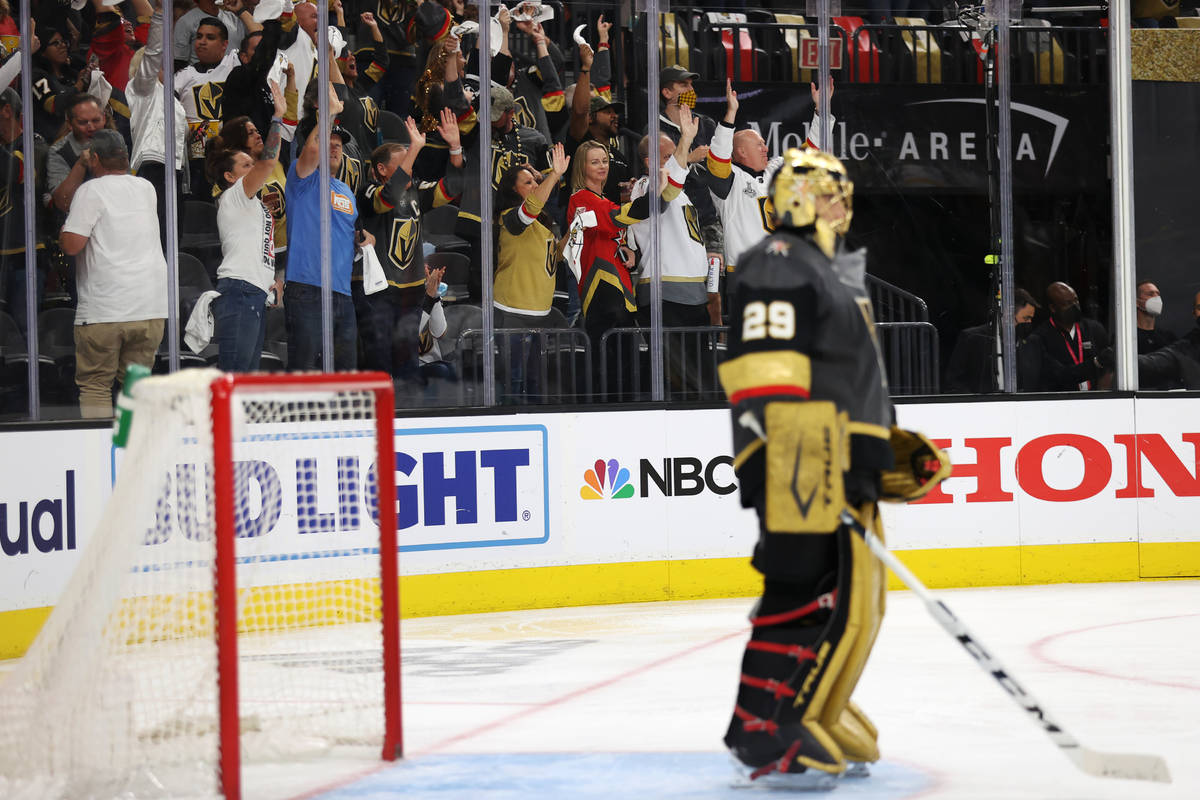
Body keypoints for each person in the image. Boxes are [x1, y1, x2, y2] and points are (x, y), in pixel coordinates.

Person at [718, 147, 948, 788]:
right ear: (794, 197)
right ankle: (764, 728)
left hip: (826, 455)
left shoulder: (829, 268)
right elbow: (765, 373)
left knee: (848, 600)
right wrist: (801, 461)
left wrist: (878, 449)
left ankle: (809, 704)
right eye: (825, 192)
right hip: (799, 458)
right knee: (803, 592)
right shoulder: (778, 262)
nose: (840, 205)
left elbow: (846, 381)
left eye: (842, 193)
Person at [58, 129, 167, 418]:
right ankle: (135, 454)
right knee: (136, 386)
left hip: (105, 308)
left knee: (95, 385)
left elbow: (72, 245)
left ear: (94, 158)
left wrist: (62, 231)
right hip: (149, 307)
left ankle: (100, 460)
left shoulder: (91, 190)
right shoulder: (146, 188)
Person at [567, 139, 680, 399]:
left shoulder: (602, 199)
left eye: (605, 160)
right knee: (609, 364)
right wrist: (653, 196)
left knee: (624, 361)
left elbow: (613, 228)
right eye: (594, 162)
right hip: (601, 288)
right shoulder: (580, 198)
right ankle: (605, 413)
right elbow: (614, 219)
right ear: (581, 167)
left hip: (619, 287)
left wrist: (626, 247)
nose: (602, 166)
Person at [356, 110, 463, 376]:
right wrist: (414, 148)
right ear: (381, 169)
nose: (410, 168)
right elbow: (388, 197)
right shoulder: (367, 192)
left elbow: (453, 187)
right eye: (404, 162)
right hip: (379, 295)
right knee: (381, 368)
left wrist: (455, 147)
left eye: (411, 161)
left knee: (407, 369)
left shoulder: (416, 191)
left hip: (411, 292)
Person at [284, 84, 371, 371]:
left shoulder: (346, 190)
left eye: (338, 143)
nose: (334, 145)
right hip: (306, 289)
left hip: (343, 294)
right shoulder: (302, 176)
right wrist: (329, 114)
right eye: (327, 141)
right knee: (305, 374)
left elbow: (347, 233)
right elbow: (311, 149)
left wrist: (362, 239)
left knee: (344, 375)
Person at [204, 80, 286, 372]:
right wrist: (277, 117)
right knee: (235, 377)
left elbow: (264, 246)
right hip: (239, 290)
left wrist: (275, 280)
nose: (254, 169)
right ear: (229, 176)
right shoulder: (235, 194)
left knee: (247, 379)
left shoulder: (254, 204)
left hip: (255, 293)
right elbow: (268, 162)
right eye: (245, 166)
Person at [493, 145, 570, 401]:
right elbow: (530, 208)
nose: (535, 185)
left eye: (535, 180)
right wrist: (554, 175)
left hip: (541, 314)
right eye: (528, 182)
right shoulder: (509, 218)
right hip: (512, 313)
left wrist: (575, 229)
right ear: (513, 190)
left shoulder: (541, 225)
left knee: (535, 385)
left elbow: (554, 258)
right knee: (513, 384)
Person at [944, 287, 1039, 394]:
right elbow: (954, 383)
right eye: (1026, 318)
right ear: (1008, 314)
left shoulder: (1031, 343)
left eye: (1031, 319)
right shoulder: (972, 338)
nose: (1029, 323)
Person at [1024, 281, 1112, 392]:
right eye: (1068, 303)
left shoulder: (1095, 329)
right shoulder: (1040, 338)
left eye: (1076, 300)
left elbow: (1108, 368)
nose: (1075, 306)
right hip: (1062, 402)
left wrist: (1103, 396)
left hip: (1095, 400)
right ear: (1053, 308)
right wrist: (1096, 363)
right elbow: (1060, 375)